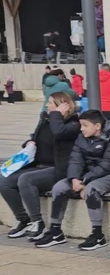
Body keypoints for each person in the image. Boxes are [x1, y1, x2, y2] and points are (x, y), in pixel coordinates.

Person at [33, 110, 110, 250]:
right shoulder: (81, 138)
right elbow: (75, 161)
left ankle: (97, 234)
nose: (81, 129)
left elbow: (107, 165)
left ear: (97, 126)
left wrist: (85, 181)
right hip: (86, 177)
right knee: (59, 187)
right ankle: (56, 231)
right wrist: (75, 179)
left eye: (85, 125)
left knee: (92, 189)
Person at [2, 92, 81, 240]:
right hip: (37, 165)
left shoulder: (73, 124)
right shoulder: (45, 120)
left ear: (61, 105)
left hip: (57, 169)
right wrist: (29, 143)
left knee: (26, 179)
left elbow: (59, 132)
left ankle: (37, 222)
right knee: (4, 180)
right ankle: (22, 219)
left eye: (50, 103)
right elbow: (35, 137)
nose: (46, 105)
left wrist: (56, 115)